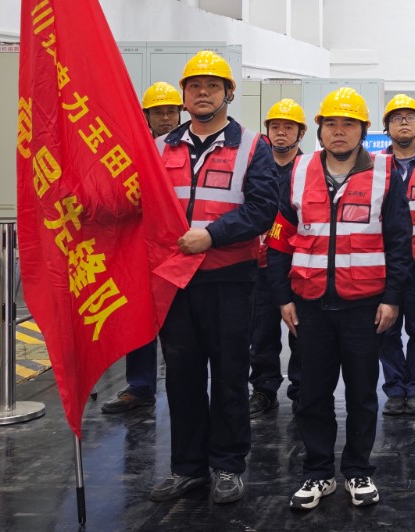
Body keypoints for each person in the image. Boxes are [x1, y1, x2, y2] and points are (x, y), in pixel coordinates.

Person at [149, 51, 283, 506]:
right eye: (194, 86)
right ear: (184, 96)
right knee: (181, 376)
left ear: (229, 93)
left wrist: (212, 236)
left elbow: (262, 209)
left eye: (212, 85)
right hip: (175, 280)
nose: (202, 92)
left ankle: (227, 465)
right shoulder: (160, 148)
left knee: (229, 375)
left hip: (229, 278)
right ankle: (188, 468)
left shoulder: (252, 146)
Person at [272, 88, 413, 510]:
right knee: (312, 394)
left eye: (348, 124)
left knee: (361, 394)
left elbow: (400, 242)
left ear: (363, 131)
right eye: (331, 123)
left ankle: (357, 471)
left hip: (364, 307)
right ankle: (318, 473)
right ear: (318, 130)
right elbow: (279, 240)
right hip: (309, 305)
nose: (338, 131)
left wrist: (392, 299)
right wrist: (282, 297)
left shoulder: (385, 172)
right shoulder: (299, 171)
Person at [102, 80, 181, 416]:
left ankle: (186, 385)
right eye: (158, 112)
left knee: (183, 328)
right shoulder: (131, 151)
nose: (166, 118)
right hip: (139, 249)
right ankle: (140, 387)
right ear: (146, 116)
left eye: (171, 111)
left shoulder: (190, 149)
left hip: (180, 251)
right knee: (140, 320)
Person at [377, 93, 415, 417]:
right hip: (384, 264)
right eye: (396, 118)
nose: (404, 122)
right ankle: (395, 388)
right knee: (385, 328)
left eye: (410, 117)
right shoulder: (374, 167)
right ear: (386, 127)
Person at [249, 98, 305, 418]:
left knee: (301, 330)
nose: (280, 132)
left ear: (300, 133)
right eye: (275, 127)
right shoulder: (256, 167)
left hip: (297, 264)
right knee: (261, 331)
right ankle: (264, 388)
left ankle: (301, 389)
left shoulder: (309, 170)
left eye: (288, 127)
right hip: (259, 263)